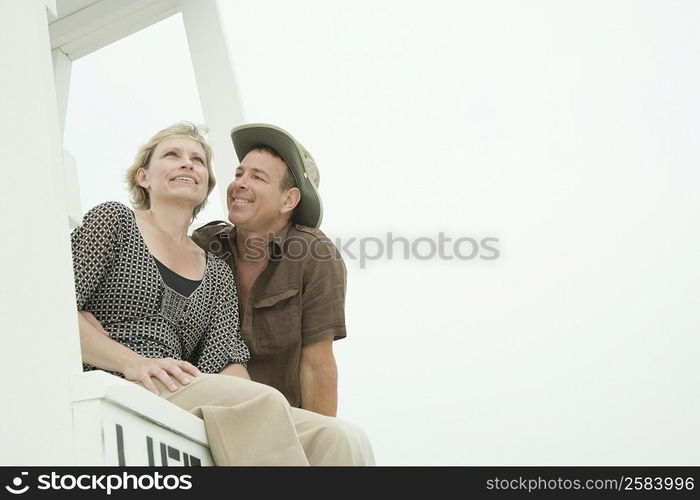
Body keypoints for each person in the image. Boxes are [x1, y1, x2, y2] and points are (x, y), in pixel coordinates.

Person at [72, 121, 373, 465]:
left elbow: (225, 358)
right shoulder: (113, 221)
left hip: (181, 386)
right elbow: (52, 308)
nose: (187, 163)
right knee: (260, 403)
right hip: (118, 376)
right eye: (172, 155)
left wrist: (254, 393)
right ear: (144, 177)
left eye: (198, 160)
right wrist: (133, 362)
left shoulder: (214, 268)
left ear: (205, 186)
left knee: (341, 438)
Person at [191, 124, 347, 418]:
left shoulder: (315, 256)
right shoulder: (203, 244)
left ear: (288, 200)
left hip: (278, 428)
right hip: (200, 419)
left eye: (258, 177)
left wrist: (313, 443)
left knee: (348, 444)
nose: (240, 184)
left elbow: (317, 365)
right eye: (239, 174)